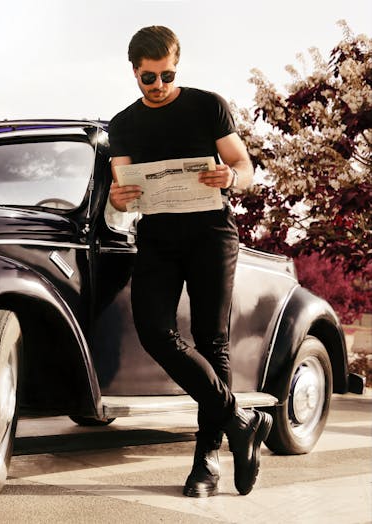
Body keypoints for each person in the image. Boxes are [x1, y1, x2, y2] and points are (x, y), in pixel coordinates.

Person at [108, 25, 273, 498]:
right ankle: (241, 421)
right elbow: (122, 198)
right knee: (154, 331)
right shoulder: (124, 124)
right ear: (133, 72)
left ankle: (207, 459)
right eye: (148, 79)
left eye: (166, 75)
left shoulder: (208, 105)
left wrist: (231, 177)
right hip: (157, 235)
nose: (158, 86)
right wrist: (120, 197)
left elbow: (246, 171)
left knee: (211, 340)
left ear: (176, 66)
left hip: (211, 233)